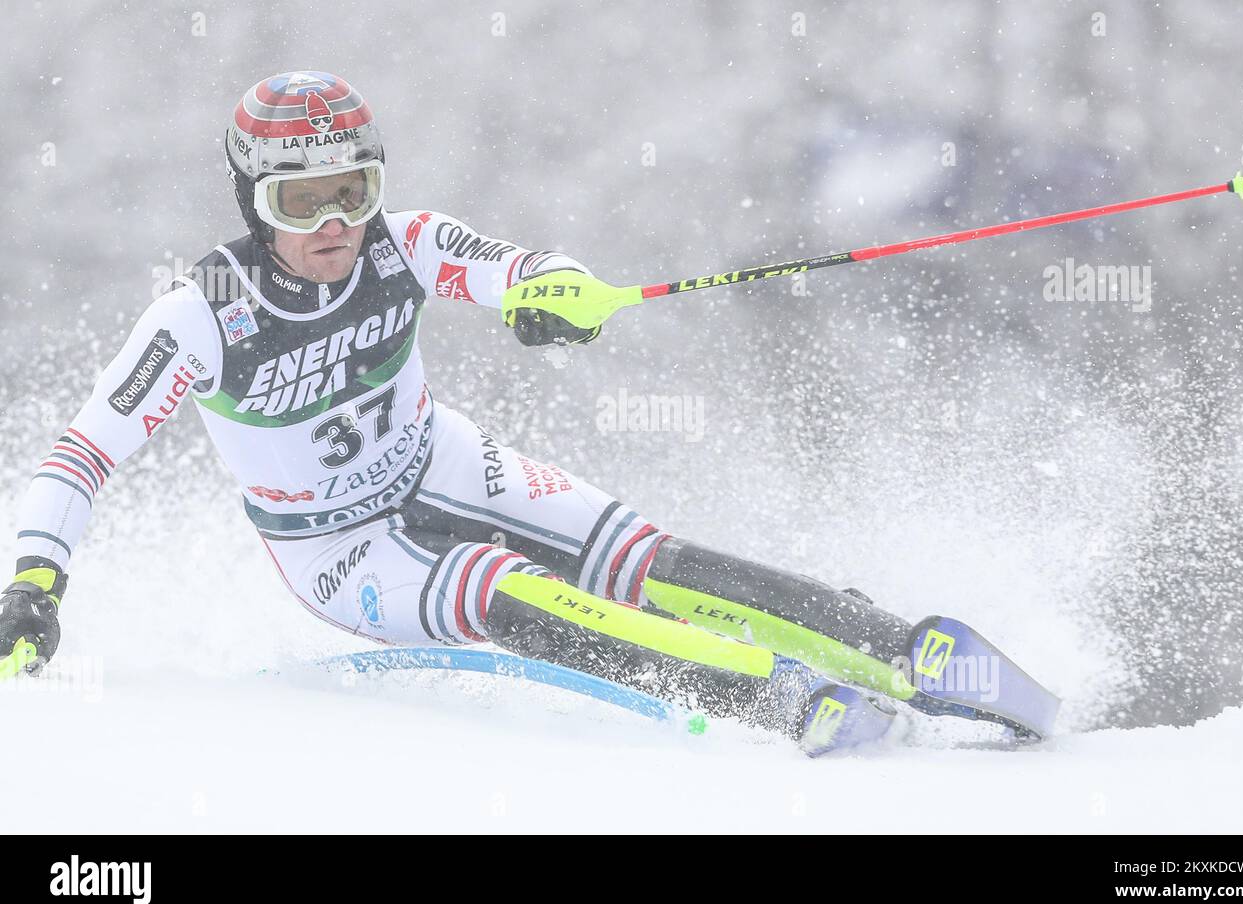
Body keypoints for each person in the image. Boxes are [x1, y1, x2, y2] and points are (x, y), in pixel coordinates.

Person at [0, 71, 920, 756]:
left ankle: (897, 649)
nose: (334, 224)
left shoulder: (401, 245)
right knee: (490, 582)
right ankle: (783, 697)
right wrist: (34, 584)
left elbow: (518, 268)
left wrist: (556, 297)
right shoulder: (201, 313)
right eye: (301, 201)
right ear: (254, 202)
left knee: (638, 556)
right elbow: (84, 452)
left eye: (352, 192)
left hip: (443, 462)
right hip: (337, 548)